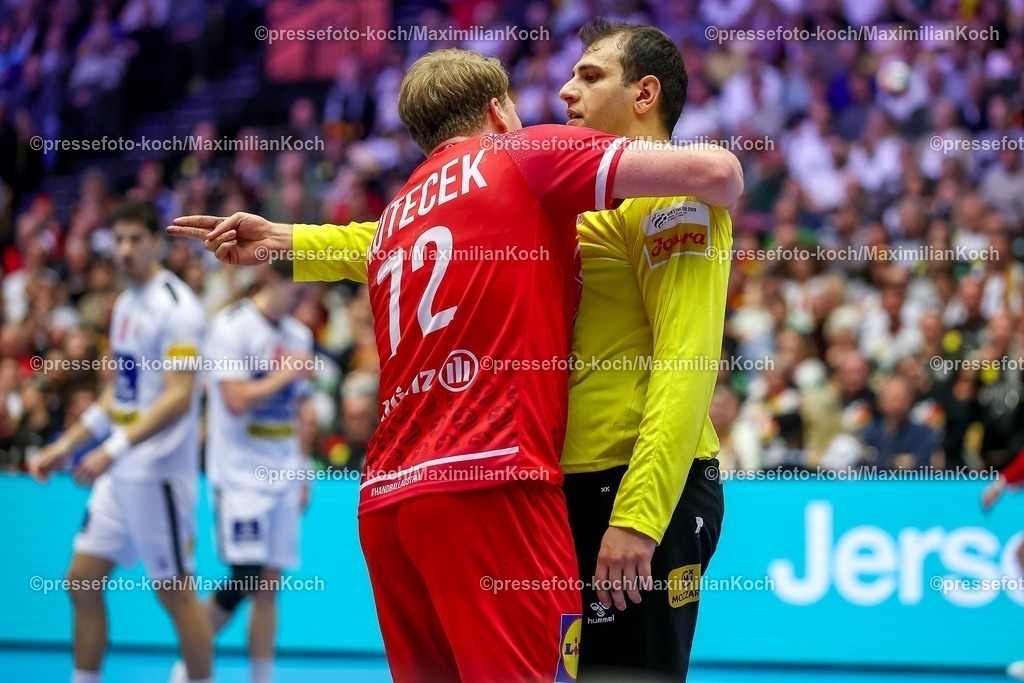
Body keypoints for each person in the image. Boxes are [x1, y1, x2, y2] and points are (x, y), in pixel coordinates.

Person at [171, 46, 742, 683]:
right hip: (514, 480)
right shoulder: (529, 167)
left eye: (589, 76)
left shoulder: (415, 204)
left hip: (455, 493)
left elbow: (687, 363)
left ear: (645, 94)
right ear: (499, 112)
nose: (563, 94)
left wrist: (638, 515)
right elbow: (717, 171)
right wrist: (289, 240)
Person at [29, 201, 212, 683]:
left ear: (157, 242)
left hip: (159, 474)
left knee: (175, 594)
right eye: (120, 240)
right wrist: (66, 445)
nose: (126, 250)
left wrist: (111, 450)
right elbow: (119, 392)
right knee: (80, 582)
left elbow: (178, 397)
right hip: (120, 471)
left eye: (136, 239)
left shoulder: (178, 310)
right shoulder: (125, 303)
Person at [172, 259, 315, 683]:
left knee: (270, 584)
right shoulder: (231, 327)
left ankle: (262, 677)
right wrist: (283, 374)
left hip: (284, 473)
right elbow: (234, 399)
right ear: (273, 278)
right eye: (297, 290)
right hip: (239, 476)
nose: (301, 301)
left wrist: (304, 468)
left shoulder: (298, 334)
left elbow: (301, 407)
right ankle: (190, 663)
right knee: (244, 577)